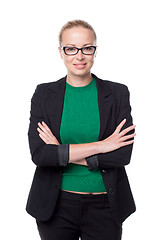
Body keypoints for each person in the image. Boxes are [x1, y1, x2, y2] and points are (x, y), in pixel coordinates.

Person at [26, 20, 136, 240]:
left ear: (95, 51)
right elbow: (40, 154)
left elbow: (122, 155)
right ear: (61, 52)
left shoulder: (117, 94)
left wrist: (61, 151)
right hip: (56, 206)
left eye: (87, 48)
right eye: (71, 49)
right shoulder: (44, 94)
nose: (80, 56)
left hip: (105, 205)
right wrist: (101, 146)